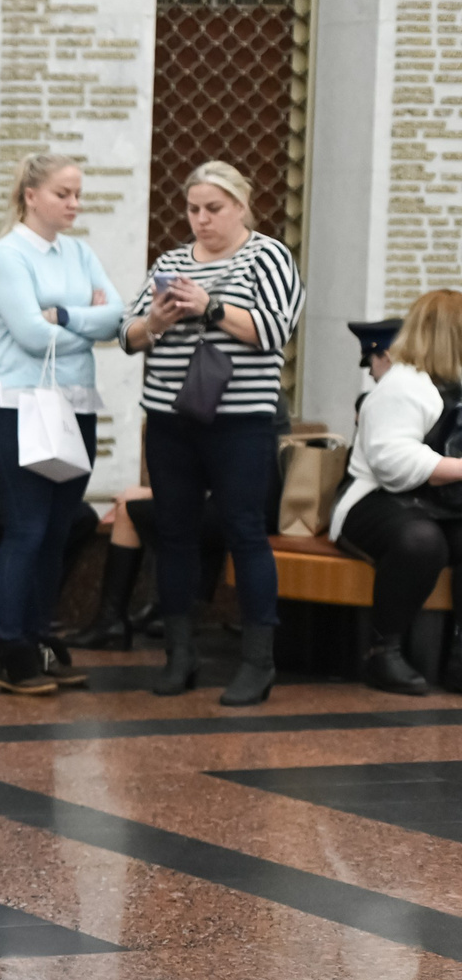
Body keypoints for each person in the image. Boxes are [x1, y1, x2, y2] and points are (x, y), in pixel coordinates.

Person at [119, 161, 305, 704]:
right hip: (170, 420)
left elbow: (275, 330)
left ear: (241, 207)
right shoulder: (173, 261)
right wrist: (155, 321)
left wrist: (211, 306)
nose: (201, 220)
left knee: (244, 530)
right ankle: (180, 655)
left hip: (240, 422)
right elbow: (128, 337)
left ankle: (257, 662)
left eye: (214, 209)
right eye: (194, 209)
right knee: (174, 532)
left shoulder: (267, 255)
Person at [0, 155, 119, 694]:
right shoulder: (9, 255)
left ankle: (40, 637)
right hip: (17, 405)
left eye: (78, 194)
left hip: (73, 403)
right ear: (31, 195)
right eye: (64, 193)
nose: (75, 204)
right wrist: (89, 318)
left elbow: (120, 316)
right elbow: (32, 337)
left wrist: (64, 315)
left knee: (58, 530)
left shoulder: (79, 253)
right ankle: (10, 647)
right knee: (27, 528)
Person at [331, 289, 462, 694]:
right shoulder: (403, 385)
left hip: (437, 503)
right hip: (374, 500)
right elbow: (395, 466)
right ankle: (382, 652)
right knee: (422, 542)